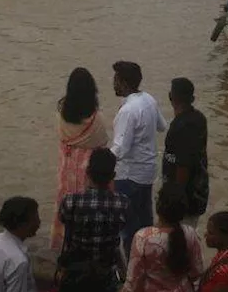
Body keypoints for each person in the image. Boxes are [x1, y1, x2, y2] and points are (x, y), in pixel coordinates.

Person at [57, 149, 127, 292]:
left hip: (76, 272)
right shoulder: (122, 203)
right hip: (106, 272)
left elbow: (63, 220)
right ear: (113, 175)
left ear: (87, 172)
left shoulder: (70, 201)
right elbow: (121, 229)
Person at [110, 61, 167, 255]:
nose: (113, 83)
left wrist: (99, 163)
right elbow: (162, 126)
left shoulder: (128, 110)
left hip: (129, 175)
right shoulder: (149, 100)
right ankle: (151, 263)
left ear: (124, 83)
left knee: (128, 232)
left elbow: (120, 149)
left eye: (116, 79)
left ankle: (132, 273)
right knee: (146, 226)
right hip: (147, 173)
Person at [120, 185, 204, 292]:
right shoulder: (191, 234)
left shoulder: (143, 238)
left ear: (158, 206)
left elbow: (132, 290)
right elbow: (197, 272)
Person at [52, 68, 109, 250]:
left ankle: (64, 245)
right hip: (88, 172)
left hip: (66, 170)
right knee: (89, 211)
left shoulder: (62, 116)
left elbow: (62, 139)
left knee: (66, 207)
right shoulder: (97, 120)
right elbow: (102, 144)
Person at [162, 78, 208, 227]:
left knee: (178, 240)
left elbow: (183, 165)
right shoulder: (199, 118)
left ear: (171, 96)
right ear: (192, 98)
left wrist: (176, 200)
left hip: (183, 201)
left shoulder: (181, 127)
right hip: (197, 191)